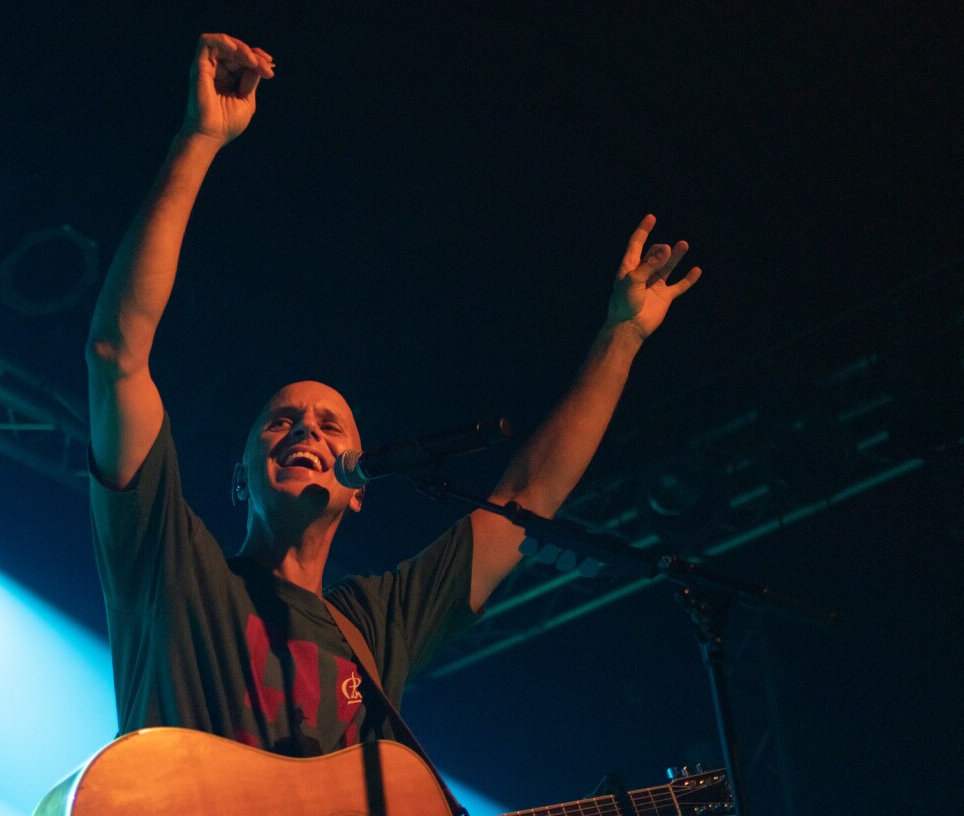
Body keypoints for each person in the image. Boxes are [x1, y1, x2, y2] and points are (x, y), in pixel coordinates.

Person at [85, 33, 702, 761]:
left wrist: (621, 337)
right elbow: (117, 355)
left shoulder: (376, 626)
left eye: (330, 425)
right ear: (241, 475)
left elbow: (526, 498)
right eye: (281, 422)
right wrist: (199, 139)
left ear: (360, 490)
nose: (306, 431)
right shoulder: (171, 566)